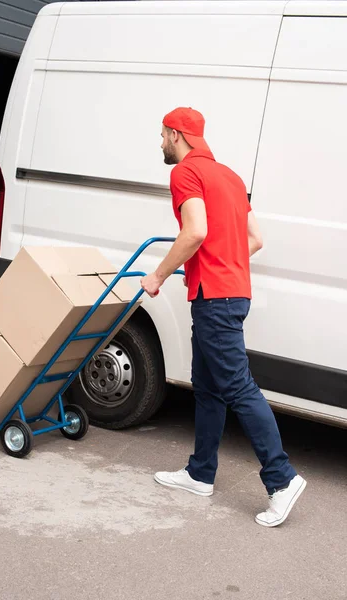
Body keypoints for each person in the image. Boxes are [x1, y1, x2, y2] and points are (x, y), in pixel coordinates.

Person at [140, 107, 306, 527]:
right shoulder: (230, 177)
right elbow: (255, 239)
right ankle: (200, 473)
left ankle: (281, 479)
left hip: (214, 298)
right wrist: (214, 263)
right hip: (232, 293)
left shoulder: (184, 174)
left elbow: (194, 230)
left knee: (237, 386)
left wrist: (158, 275)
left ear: (177, 135)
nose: (160, 142)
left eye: (162, 135)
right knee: (209, 387)